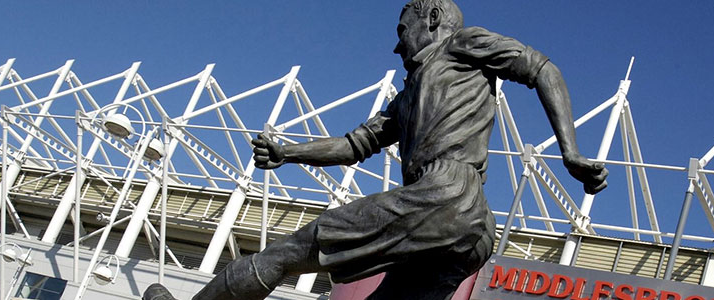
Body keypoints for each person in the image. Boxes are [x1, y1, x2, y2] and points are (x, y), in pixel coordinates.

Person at [144, 0, 607, 299]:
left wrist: (570, 152)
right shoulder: (406, 99)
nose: (395, 46)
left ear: (430, 20)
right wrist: (288, 153)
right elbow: (353, 145)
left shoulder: (461, 44)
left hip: (444, 195)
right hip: (470, 230)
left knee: (288, 252)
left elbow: (541, 68)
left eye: (402, 30)